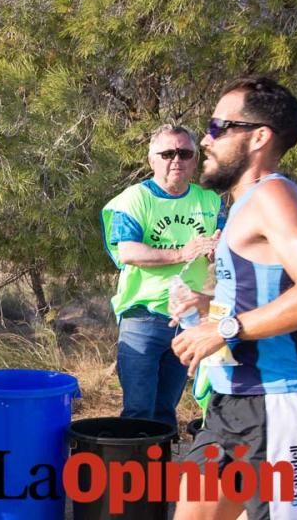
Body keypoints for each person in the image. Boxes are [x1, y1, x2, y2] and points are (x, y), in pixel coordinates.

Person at [171, 75, 297, 520]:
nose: (205, 140)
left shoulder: (274, 196)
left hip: (280, 403)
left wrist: (225, 330)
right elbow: (264, 296)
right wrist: (205, 308)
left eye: (217, 127)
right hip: (234, 402)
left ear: (259, 137)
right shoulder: (242, 203)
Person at [100, 124, 223, 429]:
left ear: (195, 159)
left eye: (184, 153)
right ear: (151, 159)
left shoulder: (209, 201)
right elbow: (127, 252)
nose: (176, 160)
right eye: (167, 153)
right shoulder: (134, 199)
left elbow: (226, 248)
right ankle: (132, 476)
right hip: (143, 317)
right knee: (139, 411)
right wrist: (183, 252)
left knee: (166, 412)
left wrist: (218, 250)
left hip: (187, 318)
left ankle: (161, 476)